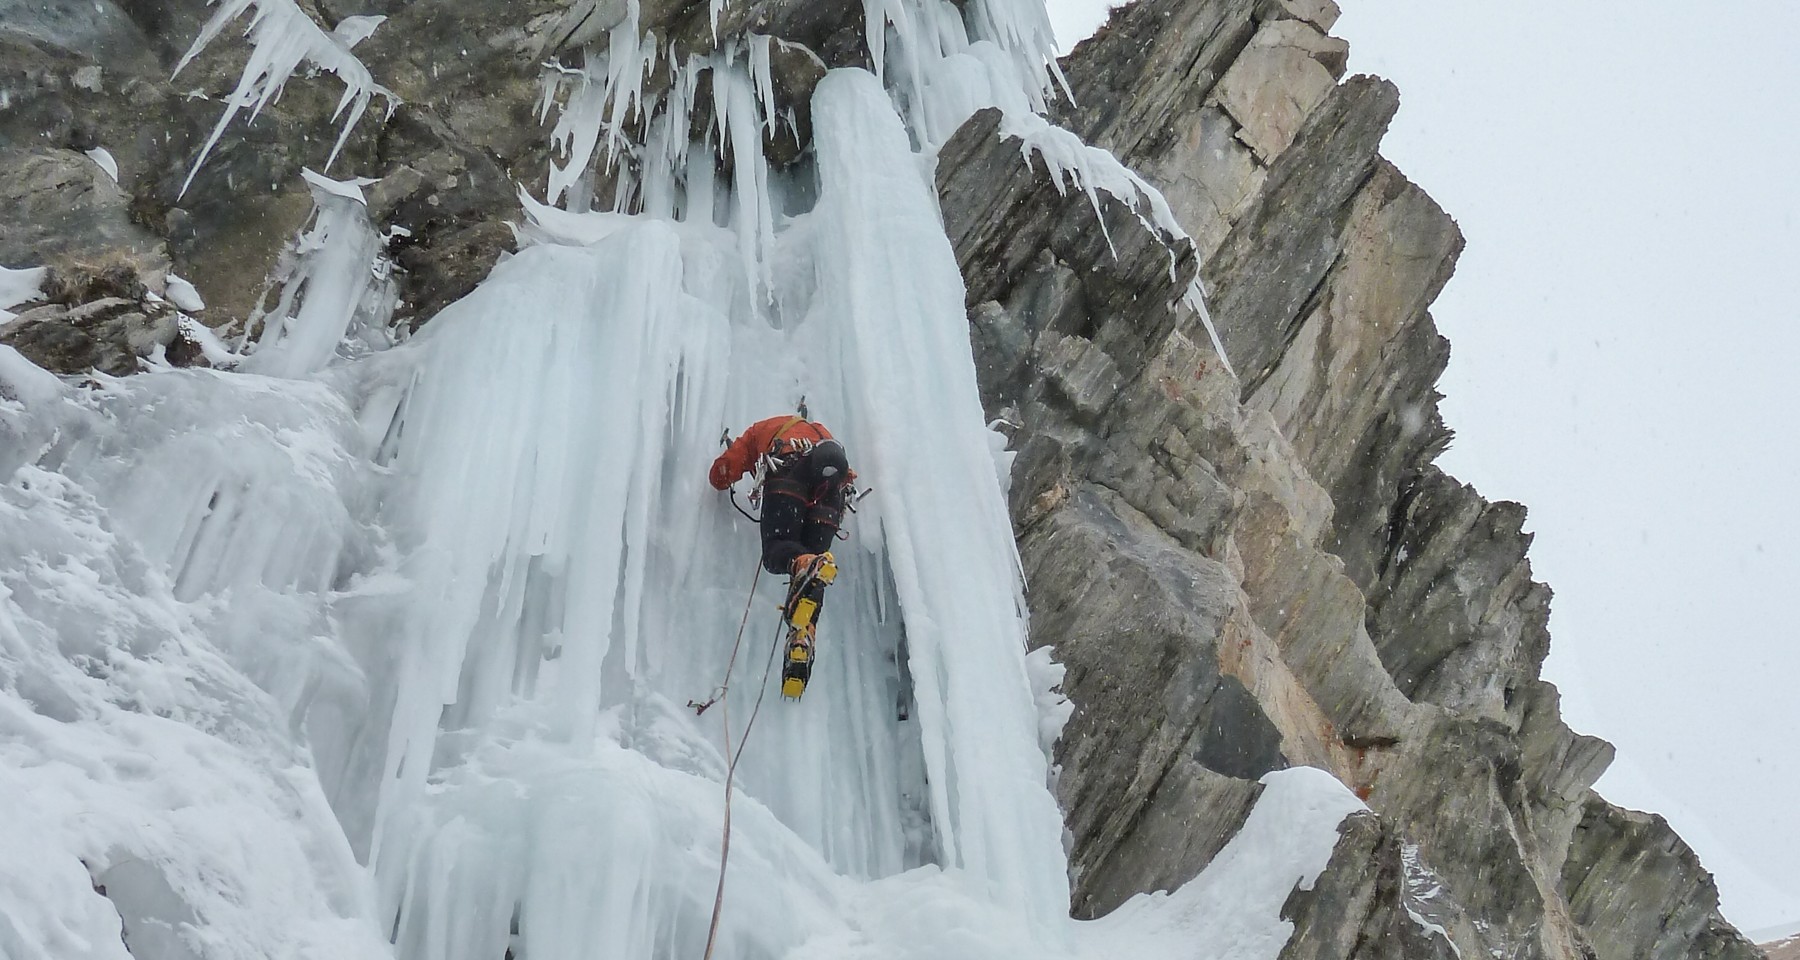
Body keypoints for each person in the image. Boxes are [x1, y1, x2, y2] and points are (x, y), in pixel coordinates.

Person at [709, 413, 855, 581]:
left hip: (790, 475)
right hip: (831, 493)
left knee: (777, 548)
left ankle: (806, 565)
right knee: (812, 570)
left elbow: (723, 473)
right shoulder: (823, 434)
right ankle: (808, 583)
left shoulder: (762, 430)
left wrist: (718, 477)